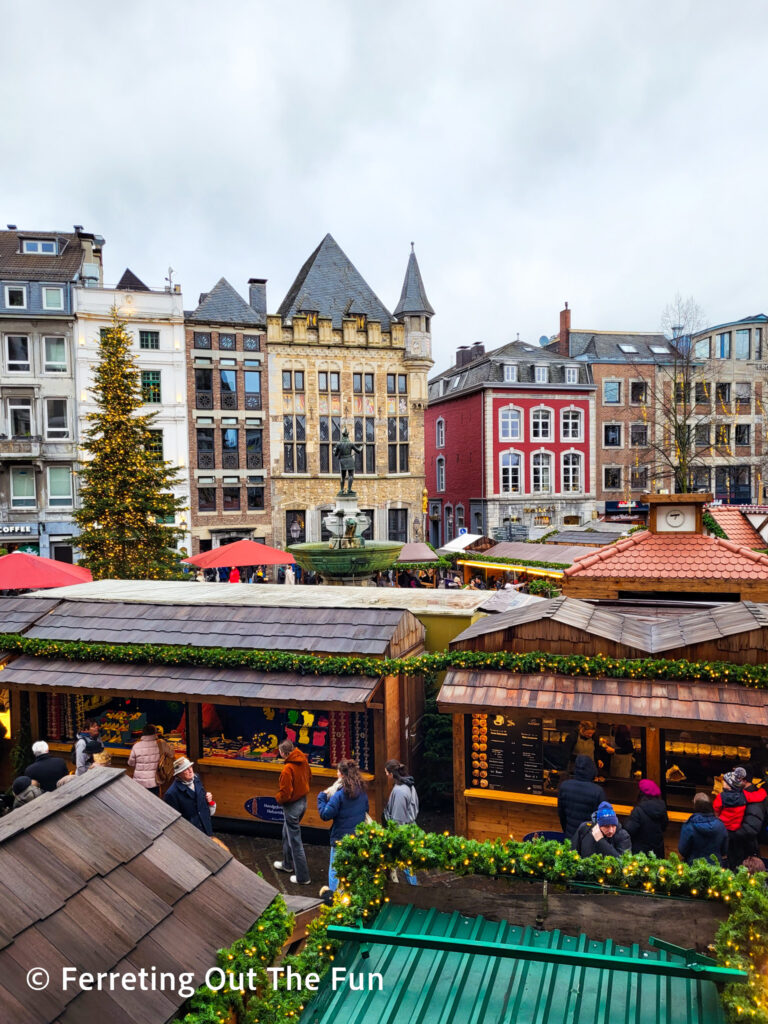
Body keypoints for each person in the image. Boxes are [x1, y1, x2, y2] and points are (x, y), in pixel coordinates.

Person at [317, 759, 369, 891]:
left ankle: (336, 899)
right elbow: (366, 809)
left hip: (340, 838)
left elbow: (325, 815)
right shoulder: (361, 790)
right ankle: (352, 896)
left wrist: (321, 798)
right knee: (353, 869)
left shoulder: (339, 794)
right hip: (356, 837)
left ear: (341, 774)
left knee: (335, 870)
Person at [272, 739, 311, 884]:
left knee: (295, 841)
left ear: (283, 753)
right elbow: (310, 777)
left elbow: (285, 793)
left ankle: (303, 877)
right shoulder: (303, 760)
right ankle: (287, 864)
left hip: (292, 806)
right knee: (286, 832)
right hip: (303, 802)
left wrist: (278, 799)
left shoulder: (287, 769)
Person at [713, 766, 767, 870]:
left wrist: (728, 834)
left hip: (744, 850)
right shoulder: (743, 794)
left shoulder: (751, 798)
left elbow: (751, 829)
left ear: (744, 780)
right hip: (736, 847)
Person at [384, 760, 420, 886]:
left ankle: (413, 888)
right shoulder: (409, 784)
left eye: (387, 773)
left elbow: (398, 818)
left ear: (391, 773)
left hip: (402, 831)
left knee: (406, 864)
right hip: (410, 828)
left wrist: (394, 835)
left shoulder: (399, 791)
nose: (387, 776)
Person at [557, 755, 606, 842]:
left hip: (570, 837)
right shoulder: (597, 791)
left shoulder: (564, 786)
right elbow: (602, 820)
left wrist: (567, 831)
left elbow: (561, 814)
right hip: (589, 840)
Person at [163, 757, 216, 835]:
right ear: (179, 774)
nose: (190, 771)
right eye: (186, 769)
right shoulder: (171, 794)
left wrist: (209, 801)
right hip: (191, 833)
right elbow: (174, 821)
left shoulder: (197, 779)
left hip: (206, 828)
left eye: (190, 767)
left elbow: (203, 805)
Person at [678, 792, 729, 865]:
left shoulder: (689, 825)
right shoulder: (721, 825)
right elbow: (724, 850)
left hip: (693, 866)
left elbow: (682, 850)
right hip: (715, 867)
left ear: (695, 806)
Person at [624, 779, 668, 857]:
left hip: (640, 853)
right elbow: (664, 826)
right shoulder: (662, 807)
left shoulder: (638, 810)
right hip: (657, 851)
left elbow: (629, 829)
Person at [127, 724, 162, 794]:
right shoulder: (160, 745)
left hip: (139, 782)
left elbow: (131, 763)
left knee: (139, 803)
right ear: (155, 733)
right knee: (154, 803)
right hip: (154, 782)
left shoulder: (136, 746)